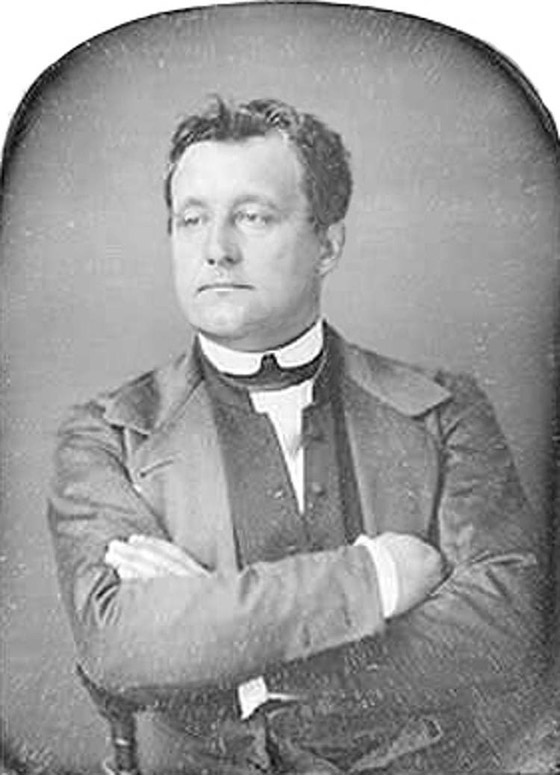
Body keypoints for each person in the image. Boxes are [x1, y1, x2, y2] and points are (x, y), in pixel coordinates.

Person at [48, 97, 547, 774]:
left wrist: (238, 657)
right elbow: (121, 645)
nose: (216, 249)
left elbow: (505, 628)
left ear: (328, 244)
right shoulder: (106, 435)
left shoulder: (444, 408)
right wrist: (377, 578)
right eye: (192, 219)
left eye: (253, 216)